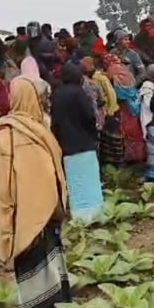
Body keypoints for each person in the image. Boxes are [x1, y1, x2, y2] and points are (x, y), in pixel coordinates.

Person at [0, 78, 70, 308]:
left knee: (41, 273)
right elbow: (9, 188)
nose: (44, 103)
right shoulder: (19, 132)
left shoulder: (20, 130)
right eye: (42, 98)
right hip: (38, 217)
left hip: (36, 218)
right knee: (42, 272)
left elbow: (9, 188)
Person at [51, 63, 104, 222]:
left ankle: (79, 215)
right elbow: (89, 116)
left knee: (75, 181)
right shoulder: (79, 93)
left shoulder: (57, 94)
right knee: (89, 179)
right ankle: (94, 214)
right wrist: (94, 134)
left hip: (67, 144)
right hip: (84, 142)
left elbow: (55, 121)